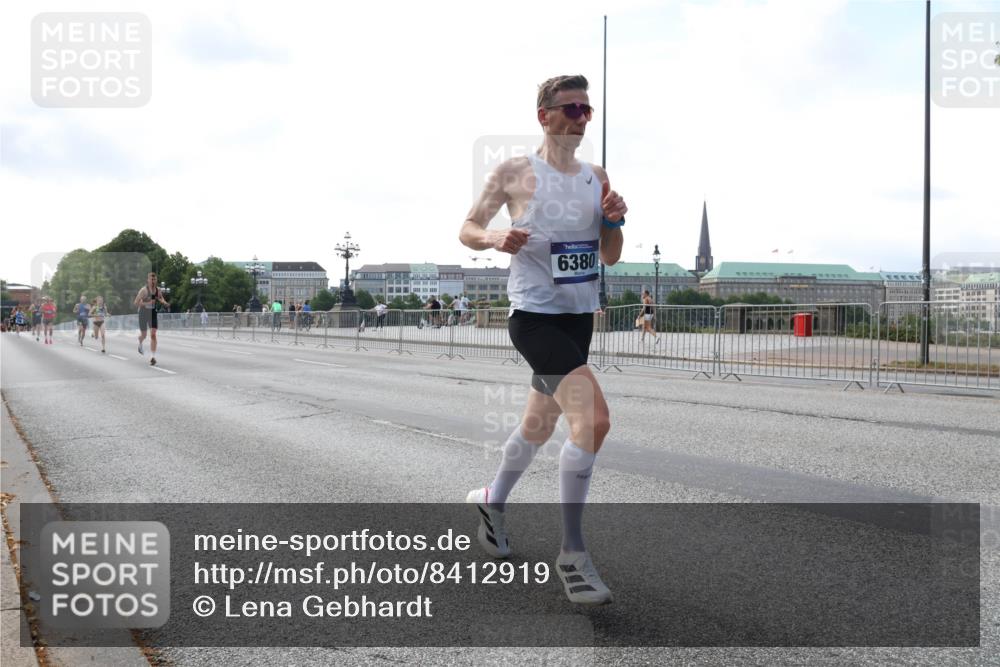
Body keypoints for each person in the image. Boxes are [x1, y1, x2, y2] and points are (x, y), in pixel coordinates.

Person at [459, 74, 626, 605]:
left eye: (587, 110)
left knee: (539, 422)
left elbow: (610, 256)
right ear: (544, 116)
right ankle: (573, 555)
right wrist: (494, 237)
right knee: (593, 421)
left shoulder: (595, 176)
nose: (581, 118)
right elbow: (466, 227)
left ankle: (492, 499)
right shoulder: (513, 172)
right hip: (534, 318)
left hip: (579, 319)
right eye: (571, 109)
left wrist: (616, 221)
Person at [134, 272, 170, 366]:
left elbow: (161, 298)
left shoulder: (158, 290)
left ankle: (152, 357)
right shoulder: (144, 290)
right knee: (144, 335)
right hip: (143, 313)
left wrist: (165, 303)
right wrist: (148, 303)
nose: (153, 281)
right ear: (148, 280)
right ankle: (140, 342)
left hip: (153, 313)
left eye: (154, 279)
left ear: (156, 280)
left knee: (153, 334)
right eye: (151, 279)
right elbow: (136, 302)